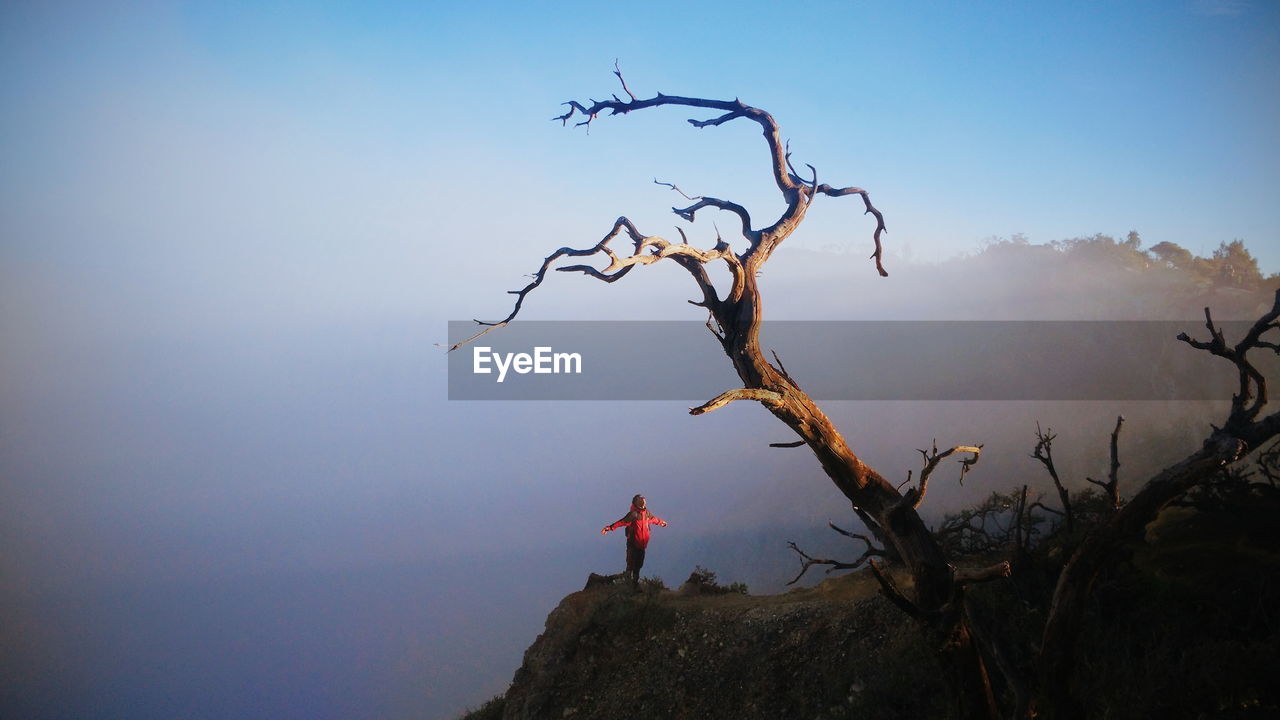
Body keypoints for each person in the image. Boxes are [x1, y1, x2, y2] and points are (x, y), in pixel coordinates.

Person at [600, 494, 668, 586]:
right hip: (633, 544)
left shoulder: (646, 513)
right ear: (637, 502)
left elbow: (653, 519)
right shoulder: (633, 514)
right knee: (631, 565)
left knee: (638, 565)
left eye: (644, 500)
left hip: (642, 545)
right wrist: (609, 528)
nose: (644, 502)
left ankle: (634, 585)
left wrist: (661, 522)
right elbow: (622, 522)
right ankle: (628, 586)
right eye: (641, 500)